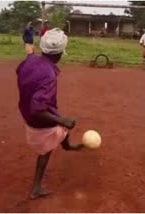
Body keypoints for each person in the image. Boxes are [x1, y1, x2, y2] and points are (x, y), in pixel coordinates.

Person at [16, 28, 83, 200]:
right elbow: (38, 109)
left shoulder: (32, 62)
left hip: (27, 114)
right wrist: (62, 120)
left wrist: (28, 41)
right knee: (49, 143)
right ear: (60, 54)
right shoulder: (49, 75)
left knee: (60, 125)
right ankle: (36, 188)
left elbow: (30, 54)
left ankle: (67, 145)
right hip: (39, 118)